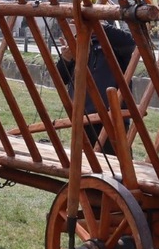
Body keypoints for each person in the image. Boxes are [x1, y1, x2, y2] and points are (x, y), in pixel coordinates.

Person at [55, 22, 137, 153]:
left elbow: (130, 42)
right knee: (86, 164)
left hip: (113, 117)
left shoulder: (114, 41)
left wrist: (96, 24)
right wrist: (66, 58)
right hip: (82, 116)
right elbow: (60, 78)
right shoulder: (78, 43)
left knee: (117, 163)